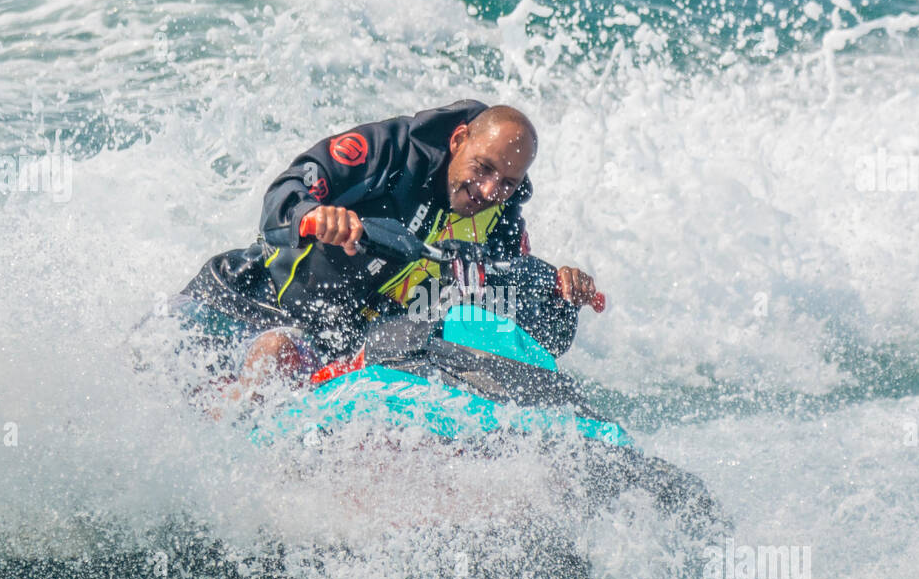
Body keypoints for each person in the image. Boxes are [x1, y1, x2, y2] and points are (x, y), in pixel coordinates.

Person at [158, 99, 601, 404]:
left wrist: (562, 299)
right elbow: (282, 196)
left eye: (506, 181)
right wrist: (315, 215)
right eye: (482, 168)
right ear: (459, 139)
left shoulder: (501, 221)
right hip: (246, 305)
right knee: (278, 354)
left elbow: (520, 334)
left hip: (344, 343)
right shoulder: (389, 152)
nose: (489, 190)